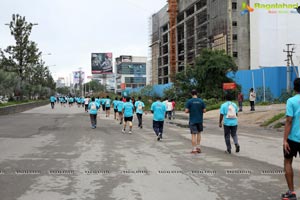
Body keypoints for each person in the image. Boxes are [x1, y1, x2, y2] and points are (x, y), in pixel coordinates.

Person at [282, 78, 300, 200]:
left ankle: (292, 192)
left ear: (294, 88)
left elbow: (289, 120)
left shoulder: (291, 101)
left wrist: (284, 140)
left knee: (288, 162)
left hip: (293, 138)